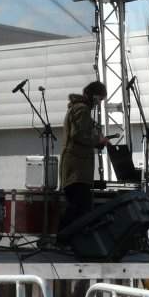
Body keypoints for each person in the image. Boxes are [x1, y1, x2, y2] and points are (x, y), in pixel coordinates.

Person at [58, 81, 109, 228]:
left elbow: (81, 135)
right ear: (94, 96)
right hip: (77, 170)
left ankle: (66, 237)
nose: (99, 103)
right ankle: (64, 237)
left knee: (77, 208)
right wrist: (98, 140)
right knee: (79, 208)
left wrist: (97, 141)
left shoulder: (78, 108)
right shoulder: (82, 109)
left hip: (76, 169)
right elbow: (79, 135)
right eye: (100, 99)